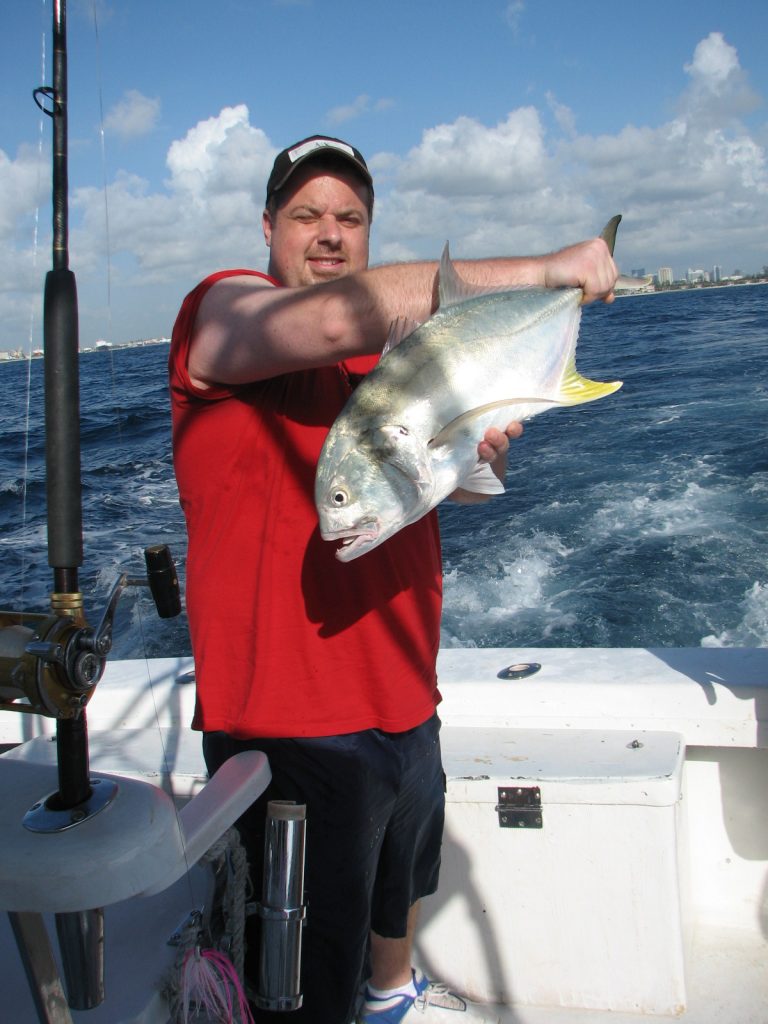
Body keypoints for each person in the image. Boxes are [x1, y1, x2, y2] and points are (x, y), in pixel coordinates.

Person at [169, 135, 618, 1024]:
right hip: (287, 729)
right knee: (300, 974)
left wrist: (480, 442)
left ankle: (394, 993)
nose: (329, 233)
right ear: (267, 226)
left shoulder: (391, 360)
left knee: (399, 882)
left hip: (406, 693)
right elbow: (335, 318)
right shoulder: (218, 316)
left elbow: (455, 472)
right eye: (306, 214)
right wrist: (552, 269)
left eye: (350, 218)